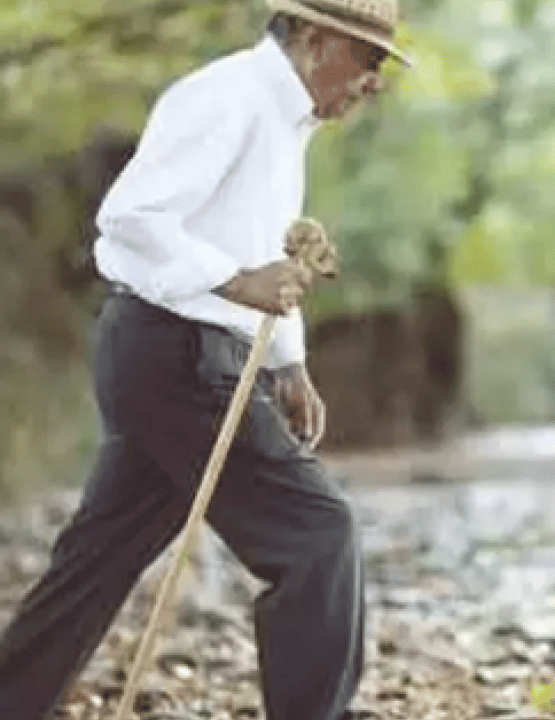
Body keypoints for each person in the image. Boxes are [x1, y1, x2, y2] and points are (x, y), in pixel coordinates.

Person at [0, 1, 412, 718]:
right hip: (177, 355)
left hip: (175, 353)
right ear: (318, 42)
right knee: (318, 536)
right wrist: (234, 279)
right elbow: (131, 216)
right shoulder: (229, 97)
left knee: (94, 562)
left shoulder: (286, 123)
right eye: (369, 59)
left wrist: (288, 363)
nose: (374, 82)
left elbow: (261, 244)